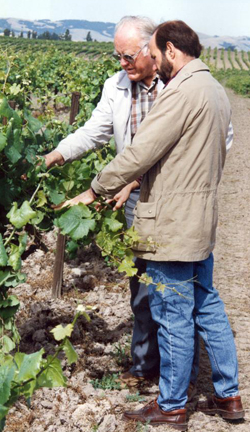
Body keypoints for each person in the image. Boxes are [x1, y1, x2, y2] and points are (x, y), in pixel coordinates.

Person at [59, 20, 244, 431]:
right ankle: (228, 395)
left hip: (172, 223)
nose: (155, 65)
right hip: (200, 219)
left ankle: (173, 405)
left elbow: (142, 149)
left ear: (172, 51)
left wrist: (96, 189)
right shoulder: (215, 90)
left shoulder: (181, 93)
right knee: (206, 305)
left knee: (171, 312)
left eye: (156, 56)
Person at [45, 16, 163, 385]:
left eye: (128, 56)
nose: (123, 64)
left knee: (174, 285)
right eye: (118, 57)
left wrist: (134, 178)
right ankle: (145, 368)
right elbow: (93, 132)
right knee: (141, 283)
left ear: (151, 49)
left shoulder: (178, 85)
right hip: (133, 200)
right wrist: (52, 157)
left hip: (173, 197)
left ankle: (179, 373)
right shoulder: (116, 86)